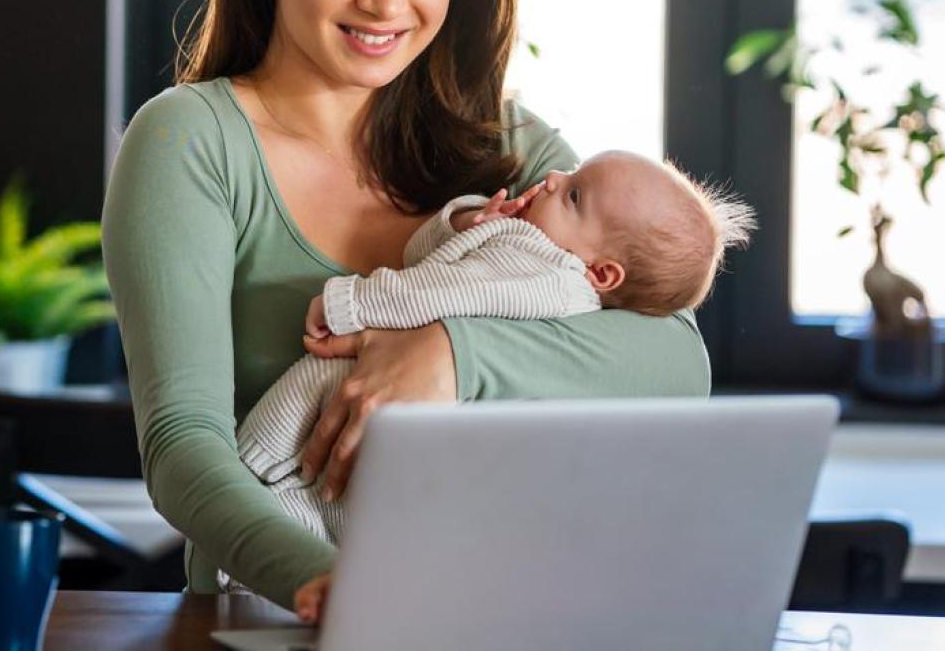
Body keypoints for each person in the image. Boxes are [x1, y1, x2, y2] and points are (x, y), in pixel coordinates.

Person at [99, 0, 713, 620]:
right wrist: (328, 586)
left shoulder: (511, 148)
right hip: (280, 616)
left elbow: (678, 365)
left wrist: (450, 355)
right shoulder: (189, 143)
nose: (387, 1)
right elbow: (182, 448)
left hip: (489, 612)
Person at [224, 151, 757, 567]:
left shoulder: (545, 275)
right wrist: (468, 224)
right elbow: (432, 262)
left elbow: (433, 291)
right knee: (316, 504)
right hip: (406, 447)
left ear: (601, 274)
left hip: (372, 400)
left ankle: (244, 486)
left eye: (574, 194)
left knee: (284, 452)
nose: (553, 177)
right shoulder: (540, 248)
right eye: (570, 175)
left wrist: (349, 303)